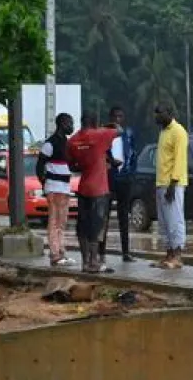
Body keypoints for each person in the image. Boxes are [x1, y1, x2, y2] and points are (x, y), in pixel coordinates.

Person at [68, 113, 118, 274]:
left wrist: (87, 164)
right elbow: (120, 130)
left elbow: (73, 167)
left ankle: (84, 262)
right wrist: (107, 124)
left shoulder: (73, 140)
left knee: (82, 226)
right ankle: (94, 262)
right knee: (96, 227)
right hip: (99, 189)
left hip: (83, 188)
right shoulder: (100, 135)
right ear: (95, 123)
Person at [36, 114, 76, 266]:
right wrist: (44, 183)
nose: (71, 127)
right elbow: (40, 165)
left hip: (64, 188)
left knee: (62, 221)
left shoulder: (67, 143)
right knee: (54, 221)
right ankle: (54, 254)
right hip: (54, 187)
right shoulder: (50, 144)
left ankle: (61, 252)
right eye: (69, 123)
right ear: (62, 124)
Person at [153, 103, 188, 269]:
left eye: (159, 113)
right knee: (164, 222)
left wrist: (172, 185)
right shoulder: (162, 131)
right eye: (156, 114)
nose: (157, 116)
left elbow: (180, 160)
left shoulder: (179, 131)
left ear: (169, 113)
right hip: (161, 182)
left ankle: (178, 255)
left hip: (173, 184)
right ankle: (168, 255)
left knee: (175, 220)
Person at [102, 105, 137, 263]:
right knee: (104, 216)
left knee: (124, 215)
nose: (117, 120)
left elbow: (133, 153)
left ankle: (126, 252)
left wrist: (131, 173)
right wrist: (109, 161)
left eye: (120, 116)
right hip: (108, 178)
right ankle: (101, 251)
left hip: (124, 177)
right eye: (115, 116)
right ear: (110, 118)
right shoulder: (103, 134)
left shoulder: (127, 133)